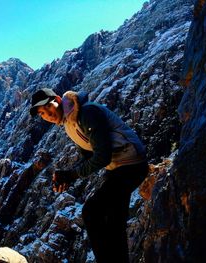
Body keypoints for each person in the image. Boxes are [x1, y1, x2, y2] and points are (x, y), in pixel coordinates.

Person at [30, 88, 148, 263]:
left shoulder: (86, 113)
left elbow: (102, 156)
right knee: (114, 221)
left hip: (131, 164)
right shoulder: (69, 121)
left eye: (48, 106)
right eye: (41, 113)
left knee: (92, 212)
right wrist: (66, 175)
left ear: (57, 99)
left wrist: (71, 175)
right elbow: (90, 156)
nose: (47, 113)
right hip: (117, 167)